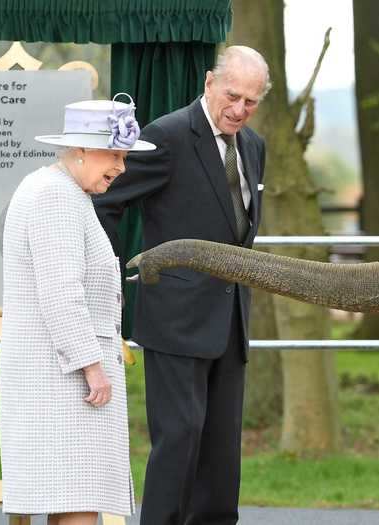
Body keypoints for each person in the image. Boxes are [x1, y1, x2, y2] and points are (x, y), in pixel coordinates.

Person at [93, 46, 270, 525]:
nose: (239, 110)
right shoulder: (166, 135)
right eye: (233, 96)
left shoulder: (253, 146)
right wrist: (112, 273)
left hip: (231, 320)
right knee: (180, 437)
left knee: (220, 445)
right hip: (174, 318)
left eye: (251, 102)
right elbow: (105, 204)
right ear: (210, 82)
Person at [0, 94, 155, 525]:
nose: (122, 167)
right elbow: (62, 290)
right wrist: (91, 365)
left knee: (73, 494)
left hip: (55, 371)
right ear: (82, 150)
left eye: (125, 156)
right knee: (78, 496)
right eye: (116, 154)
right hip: (62, 377)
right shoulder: (56, 196)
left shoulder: (60, 190)